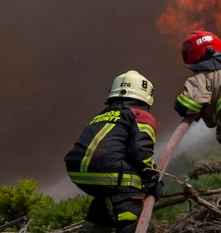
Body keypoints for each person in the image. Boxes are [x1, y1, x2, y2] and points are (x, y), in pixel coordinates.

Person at [64, 71, 162, 233]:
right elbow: (141, 153)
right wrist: (153, 182)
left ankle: (94, 225)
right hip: (113, 178)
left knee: (105, 204)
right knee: (129, 205)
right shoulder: (141, 116)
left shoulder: (101, 116)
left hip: (82, 176)